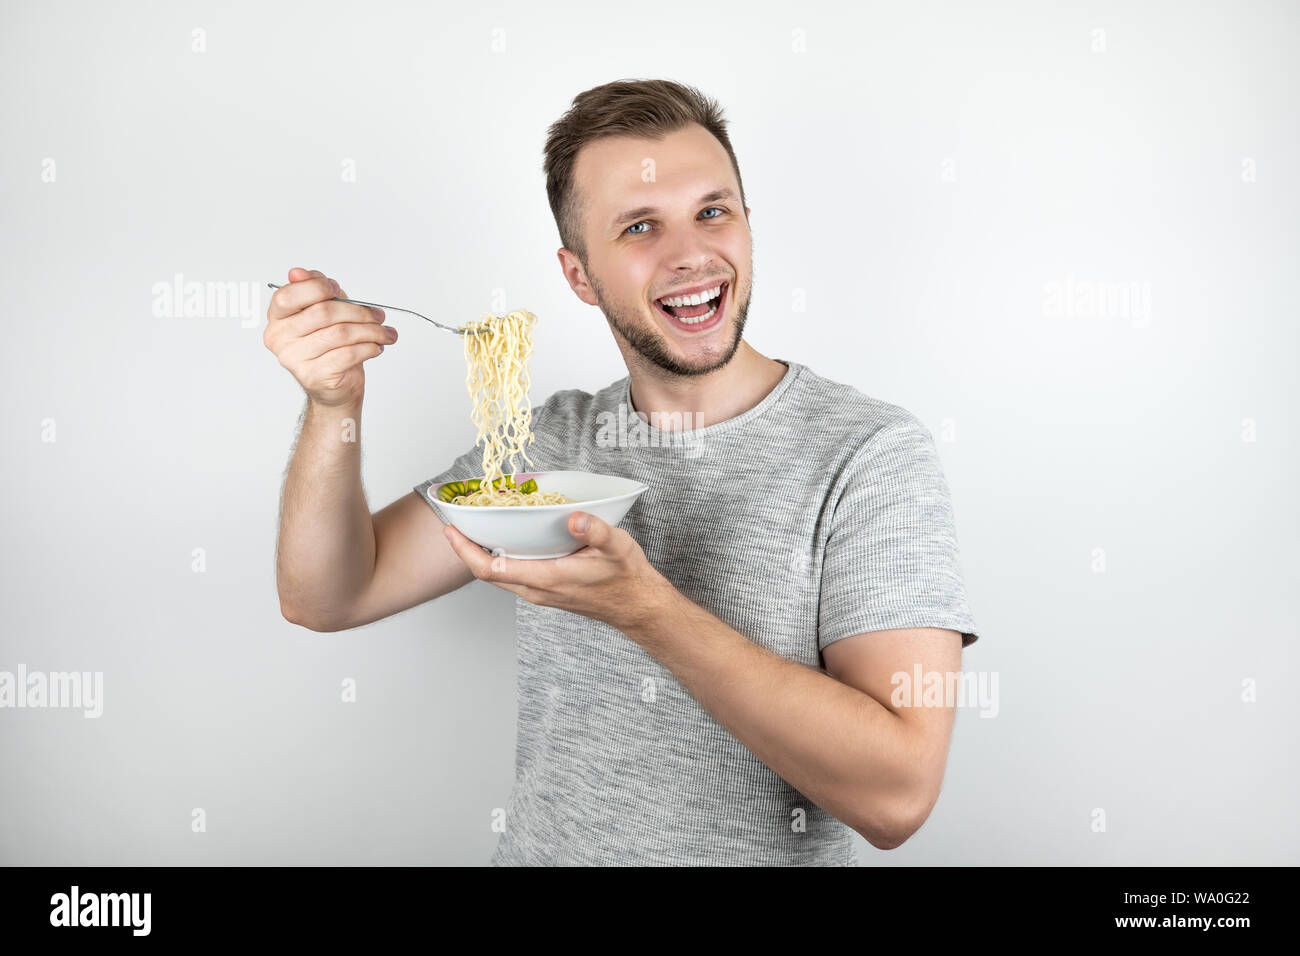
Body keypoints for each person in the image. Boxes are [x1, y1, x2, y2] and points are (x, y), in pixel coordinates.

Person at [263, 79, 981, 866]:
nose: (691, 255)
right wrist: (335, 405)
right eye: (640, 226)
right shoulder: (546, 447)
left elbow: (898, 797)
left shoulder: (870, 455)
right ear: (578, 275)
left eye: (714, 211)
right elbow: (328, 594)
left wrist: (644, 609)